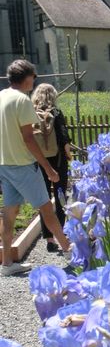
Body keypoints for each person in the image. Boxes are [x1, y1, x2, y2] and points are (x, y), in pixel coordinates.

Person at [0, 59, 70, 276]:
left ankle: (7, 263)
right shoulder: (22, 100)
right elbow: (29, 139)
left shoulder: (1, 96)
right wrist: (48, 168)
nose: (34, 81)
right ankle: (70, 251)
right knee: (47, 208)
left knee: (9, 213)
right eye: (33, 77)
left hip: (5, 164)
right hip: (22, 164)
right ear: (28, 77)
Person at [32, 83, 72, 252]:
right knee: (60, 196)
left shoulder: (31, 113)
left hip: (39, 161)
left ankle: (49, 239)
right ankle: (62, 233)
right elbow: (64, 137)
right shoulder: (56, 112)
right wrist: (69, 155)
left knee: (44, 200)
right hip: (58, 161)